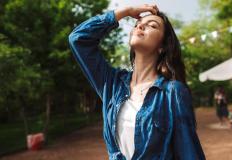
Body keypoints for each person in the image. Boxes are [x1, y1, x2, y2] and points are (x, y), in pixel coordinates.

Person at [69, 4, 205, 160]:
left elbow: (189, 152)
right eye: (137, 24)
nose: (140, 25)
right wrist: (124, 12)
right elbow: (78, 39)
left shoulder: (172, 92)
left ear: (162, 46)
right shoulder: (112, 84)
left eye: (152, 25)